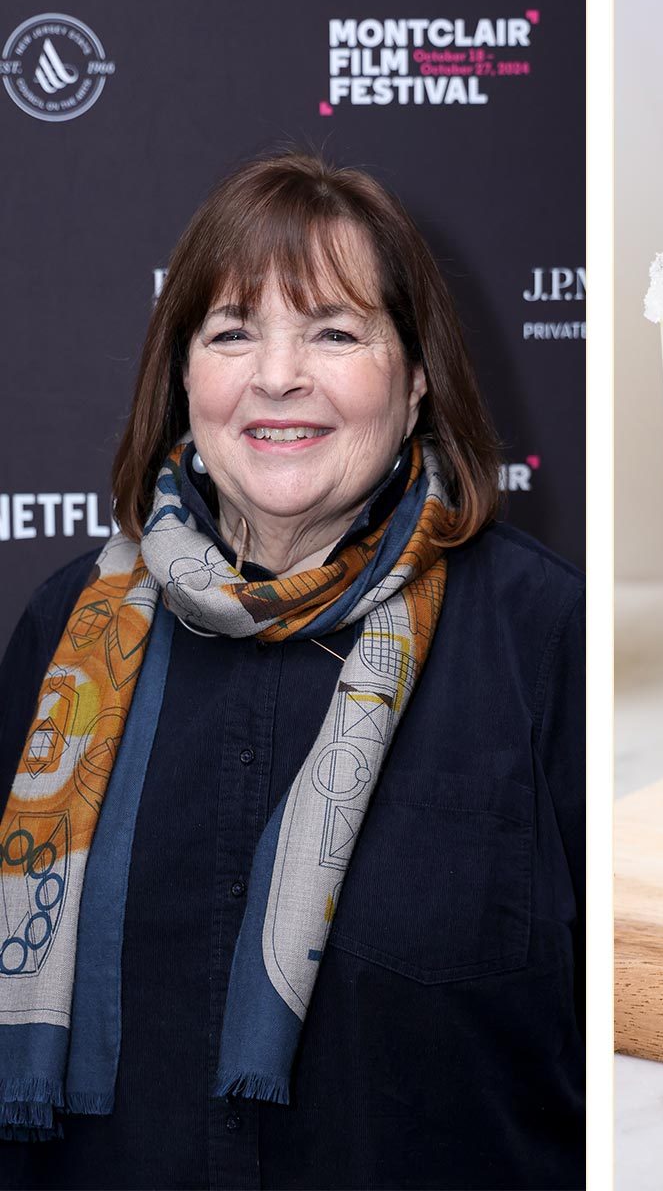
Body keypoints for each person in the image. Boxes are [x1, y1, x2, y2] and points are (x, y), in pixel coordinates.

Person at [0, 150, 584, 1190]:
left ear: (414, 382)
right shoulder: (61, 633)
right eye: (233, 333)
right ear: (186, 379)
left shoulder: (541, 635)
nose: (278, 376)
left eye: (334, 331)